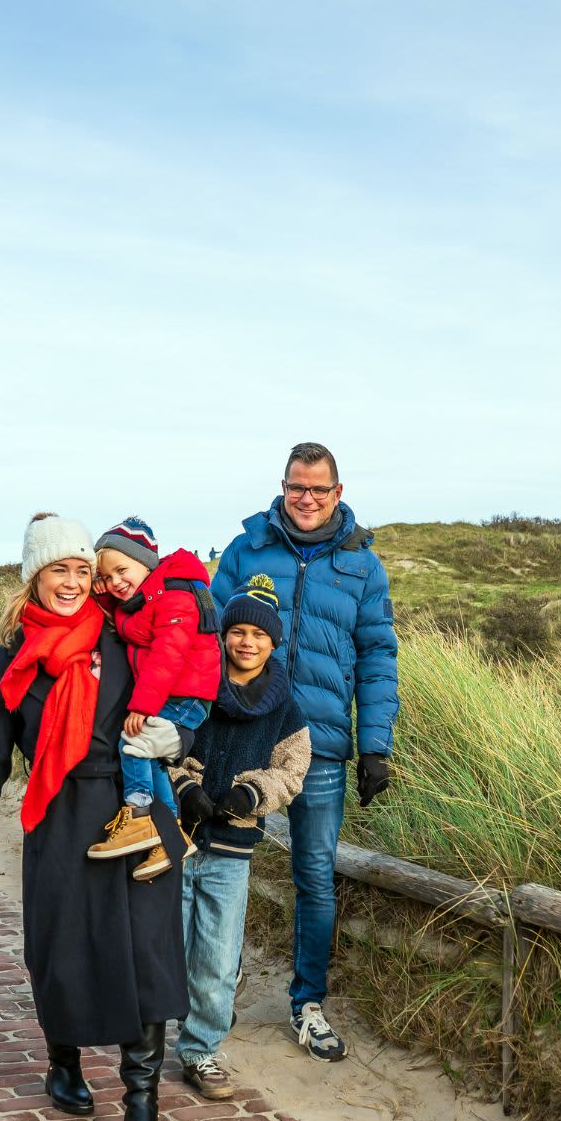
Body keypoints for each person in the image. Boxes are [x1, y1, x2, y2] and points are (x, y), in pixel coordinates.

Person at [0, 513, 188, 1121]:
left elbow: (184, 691)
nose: (75, 581)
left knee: (147, 957)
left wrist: (177, 740)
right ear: (35, 577)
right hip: (58, 815)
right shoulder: (8, 665)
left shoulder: (125, 636)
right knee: (61, 953)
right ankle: (64, 1064)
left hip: (134, 813)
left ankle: (141, 1105)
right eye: (61, 569)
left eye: (83, 569)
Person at [215, 442, 400, 1063]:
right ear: (284, 486)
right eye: (298, 487)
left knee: (314, 876)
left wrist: (375, 743)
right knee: (223, 865)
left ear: (338, 493)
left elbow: (378, 658)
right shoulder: (247, 550)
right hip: (243, 734)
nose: (308, 499)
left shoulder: (362, 566)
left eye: (320, 489)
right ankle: (216, 989)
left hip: (320, 745)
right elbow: (208, 634)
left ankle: (308, 1003)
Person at [167, 574, 310, 1099]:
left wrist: (253, 794)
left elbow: (293, 768)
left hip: (232, 851)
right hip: (179, 841)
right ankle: (157, 1026)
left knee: (218, 956)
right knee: (172, 946)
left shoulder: (284, 706)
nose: (247, 642)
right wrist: (185, 786)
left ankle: (201, 1050)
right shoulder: (195, 689)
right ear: (224, 634)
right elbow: (167, 747)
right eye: (238, 631)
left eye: (260, 635)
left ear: (274, 644)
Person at [84, 517, 221, 882]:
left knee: (133, 740)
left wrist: (142, 706)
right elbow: (114, 612)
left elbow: (167, 656)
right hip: (175, 691)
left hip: (185, 694)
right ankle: (172, 832)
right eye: (106, 576)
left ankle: (139, 813)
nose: (115, 582)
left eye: (121, 570)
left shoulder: (173, 594)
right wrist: (97, 589)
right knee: (153, 757)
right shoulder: (141, 599)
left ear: (146, 561)